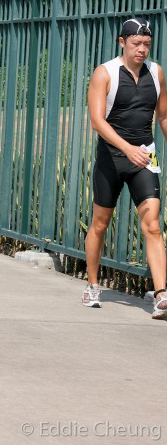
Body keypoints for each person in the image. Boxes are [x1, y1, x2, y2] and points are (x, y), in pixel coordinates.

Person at [82, 17, 167, 319]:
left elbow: (163, 116)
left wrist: (140, 150)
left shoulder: (156, 72)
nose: (141, 49)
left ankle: (161, 295)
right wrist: (127, 148)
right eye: (136, 43)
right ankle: (93, 284)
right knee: (100, 222)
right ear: (122, 42)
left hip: (145, 157)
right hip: (112, 158)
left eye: (147, 44)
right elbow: (97, 121)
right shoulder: (105, 73)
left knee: (153, 224)